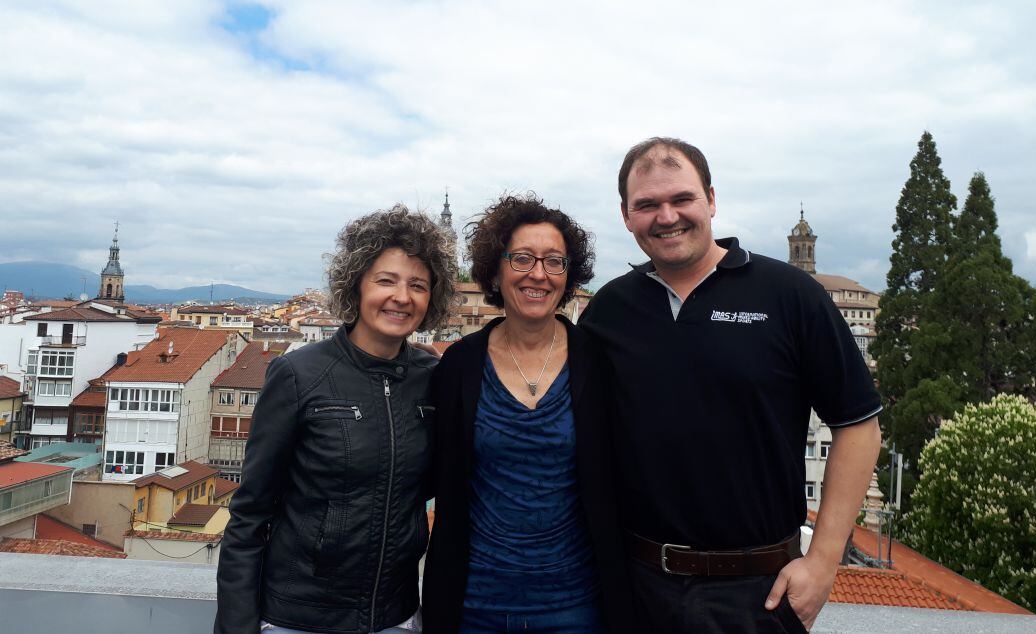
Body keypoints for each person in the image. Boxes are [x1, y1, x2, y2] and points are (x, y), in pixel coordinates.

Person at [580, 137, 882, 634]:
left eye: (682, 199)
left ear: (711, 200)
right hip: (634, 587)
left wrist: (824, 561)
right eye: (648, 205)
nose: (667, 217)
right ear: (626, 216)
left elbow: (859, 425)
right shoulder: (609, 310)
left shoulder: (791, 296)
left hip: (756, 593)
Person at [215, 205, 457, 634]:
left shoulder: (433, 379)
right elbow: (250, 513)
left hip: (396, 617)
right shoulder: (299, 374)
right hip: (299, 618)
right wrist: (236, 626)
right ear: (356, 285)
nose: (402, 296)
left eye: (418, 285)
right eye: (386, 280)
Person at [422, 194, 634, 634]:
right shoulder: (460, 365)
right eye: (522, 258)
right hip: (473, 604)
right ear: (495, 271)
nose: (538, 273)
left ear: (568, 275)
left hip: (576, 605)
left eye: (554, 261)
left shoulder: (599, 363)